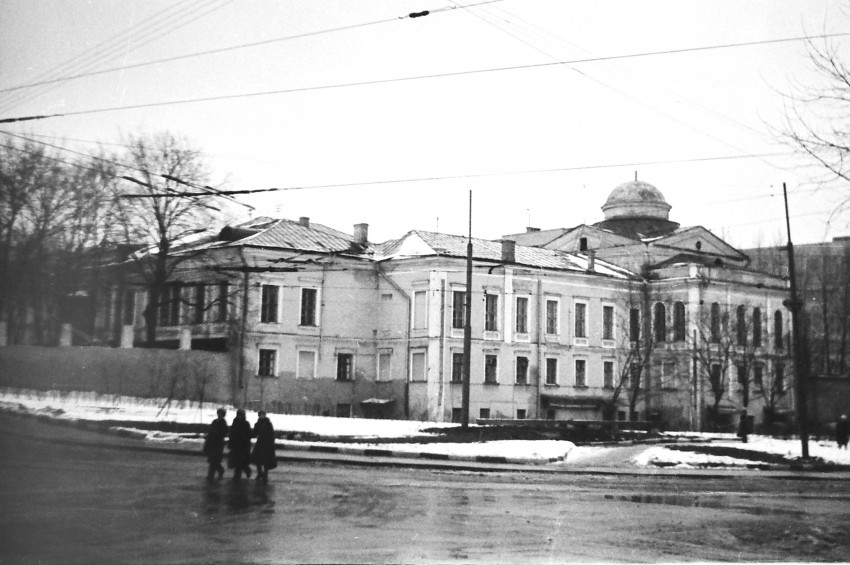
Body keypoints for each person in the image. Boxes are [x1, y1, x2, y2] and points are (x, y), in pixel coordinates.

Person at [252, 410, 278, 483]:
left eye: (263, 415)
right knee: (258, 459)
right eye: (260, 415)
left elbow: (272, 434)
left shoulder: (268, 423)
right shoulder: (258, 423)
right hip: (260, 443)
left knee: (266, 460)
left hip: (267, 444)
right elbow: (254, 433)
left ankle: (265, 475)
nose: (261, 416)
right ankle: (260, 473)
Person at [203, 408, 228, 480]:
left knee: (213, 460)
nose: (219, 415)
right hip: (212, 443)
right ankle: (220, 470)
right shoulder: (214, 421)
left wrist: (216, 433)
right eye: (218, 413)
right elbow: (210, 430)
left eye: (221, 413)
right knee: (213, 460)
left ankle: (211, 475)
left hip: (218, 443)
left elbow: (224, 433)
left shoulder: (223, 423)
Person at [228, 409, 253, 480]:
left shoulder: (246, 423)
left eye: (241, 415)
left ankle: (246, 471)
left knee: (242, 461)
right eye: (239, 415)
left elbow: (249, 435)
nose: (239, 417)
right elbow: (232, 434)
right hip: (236, 445)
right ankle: (238, 474)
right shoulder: (235, 422)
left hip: (243, 446)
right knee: (237, 461)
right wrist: (231, 443)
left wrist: (244, 440)